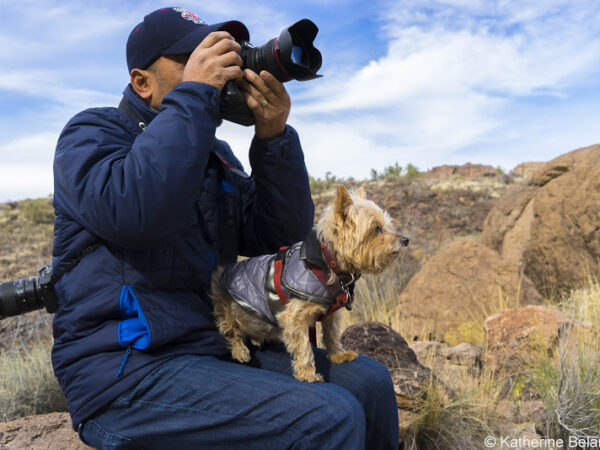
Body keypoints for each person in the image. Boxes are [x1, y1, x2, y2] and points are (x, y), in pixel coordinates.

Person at [51, 7, 399, 449]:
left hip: (212, 347)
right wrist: (196, 95)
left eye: (221, 53)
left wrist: (273, 139)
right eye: (193, 57)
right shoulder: (91, 134)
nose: (221, 66)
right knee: (328, 417)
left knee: (368, 383)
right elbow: (136, 212)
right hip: (126, 372)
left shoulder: (212, 154)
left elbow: (280, 238)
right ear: (142, 82)